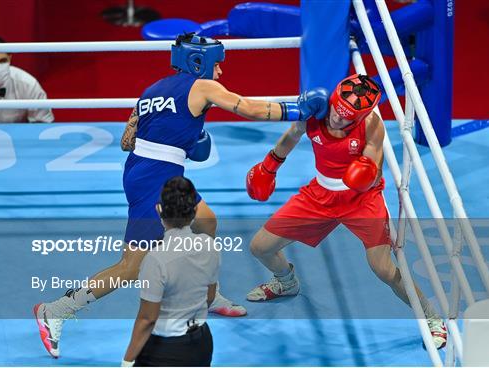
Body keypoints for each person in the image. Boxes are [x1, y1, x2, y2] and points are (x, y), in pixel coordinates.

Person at [34, 32, 329, 358]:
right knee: (131, 267)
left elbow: (126, 141)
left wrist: (180, 135)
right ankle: (57, 309)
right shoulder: (203, 86)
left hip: (144, 171)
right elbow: (248, 108)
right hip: (155, 181)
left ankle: (210, 296)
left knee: (207, 222)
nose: (220, 73)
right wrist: (297, 110)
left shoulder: (152, 90)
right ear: (198, 62)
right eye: (216, 66)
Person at [245, 74, 448, 349]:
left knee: (384, 270)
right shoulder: (315, 111)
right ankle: (286, 282)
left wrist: (366, 171)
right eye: (336, 113)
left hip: (362, 200)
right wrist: (269, 167)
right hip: (319, 195)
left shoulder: (372, 124)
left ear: (360, 116)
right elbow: (291, 136)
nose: (337, 120)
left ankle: (432, 318)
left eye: (346, 118)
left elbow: (373, 165)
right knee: (260, 247)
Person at [121, 176, 218, 367]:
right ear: (195, 210)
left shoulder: (155, 259)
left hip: (165, 350)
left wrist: (127, 360)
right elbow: (210, 295)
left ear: (159, 210)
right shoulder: (210, 245)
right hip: (202, 343)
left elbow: (148, 319)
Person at [0, 35, 54, 123]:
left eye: (2, 61)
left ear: (9, 59)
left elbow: (43, 123)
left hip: (17, 135)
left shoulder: (28, 84)